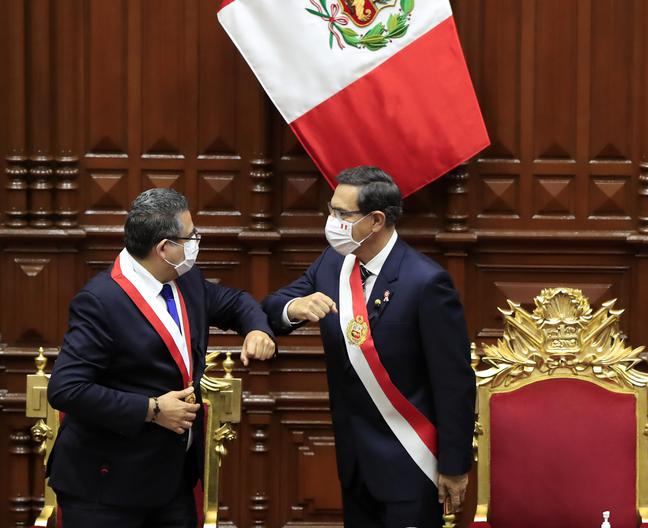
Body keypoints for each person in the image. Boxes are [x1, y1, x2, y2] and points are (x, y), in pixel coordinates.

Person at [47, 188, 277, 528]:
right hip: (107, 490)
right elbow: (66, 389)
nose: (196, 241)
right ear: (164, 248)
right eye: (191, 236)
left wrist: (258, 329)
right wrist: (151, 410)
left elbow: (235, 302)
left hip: (171, 483)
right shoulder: (100, 302)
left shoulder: (184, 279)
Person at [262, 166, 475, 528]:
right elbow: (273, 306)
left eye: (341, 214)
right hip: (355, 462)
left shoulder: (426, 282)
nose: (332, 222)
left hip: (411, 461)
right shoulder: (333, 264)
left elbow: (454, 382)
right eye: (330, 211)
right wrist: (291, 308)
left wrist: (454, 467)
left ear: (376, 220)